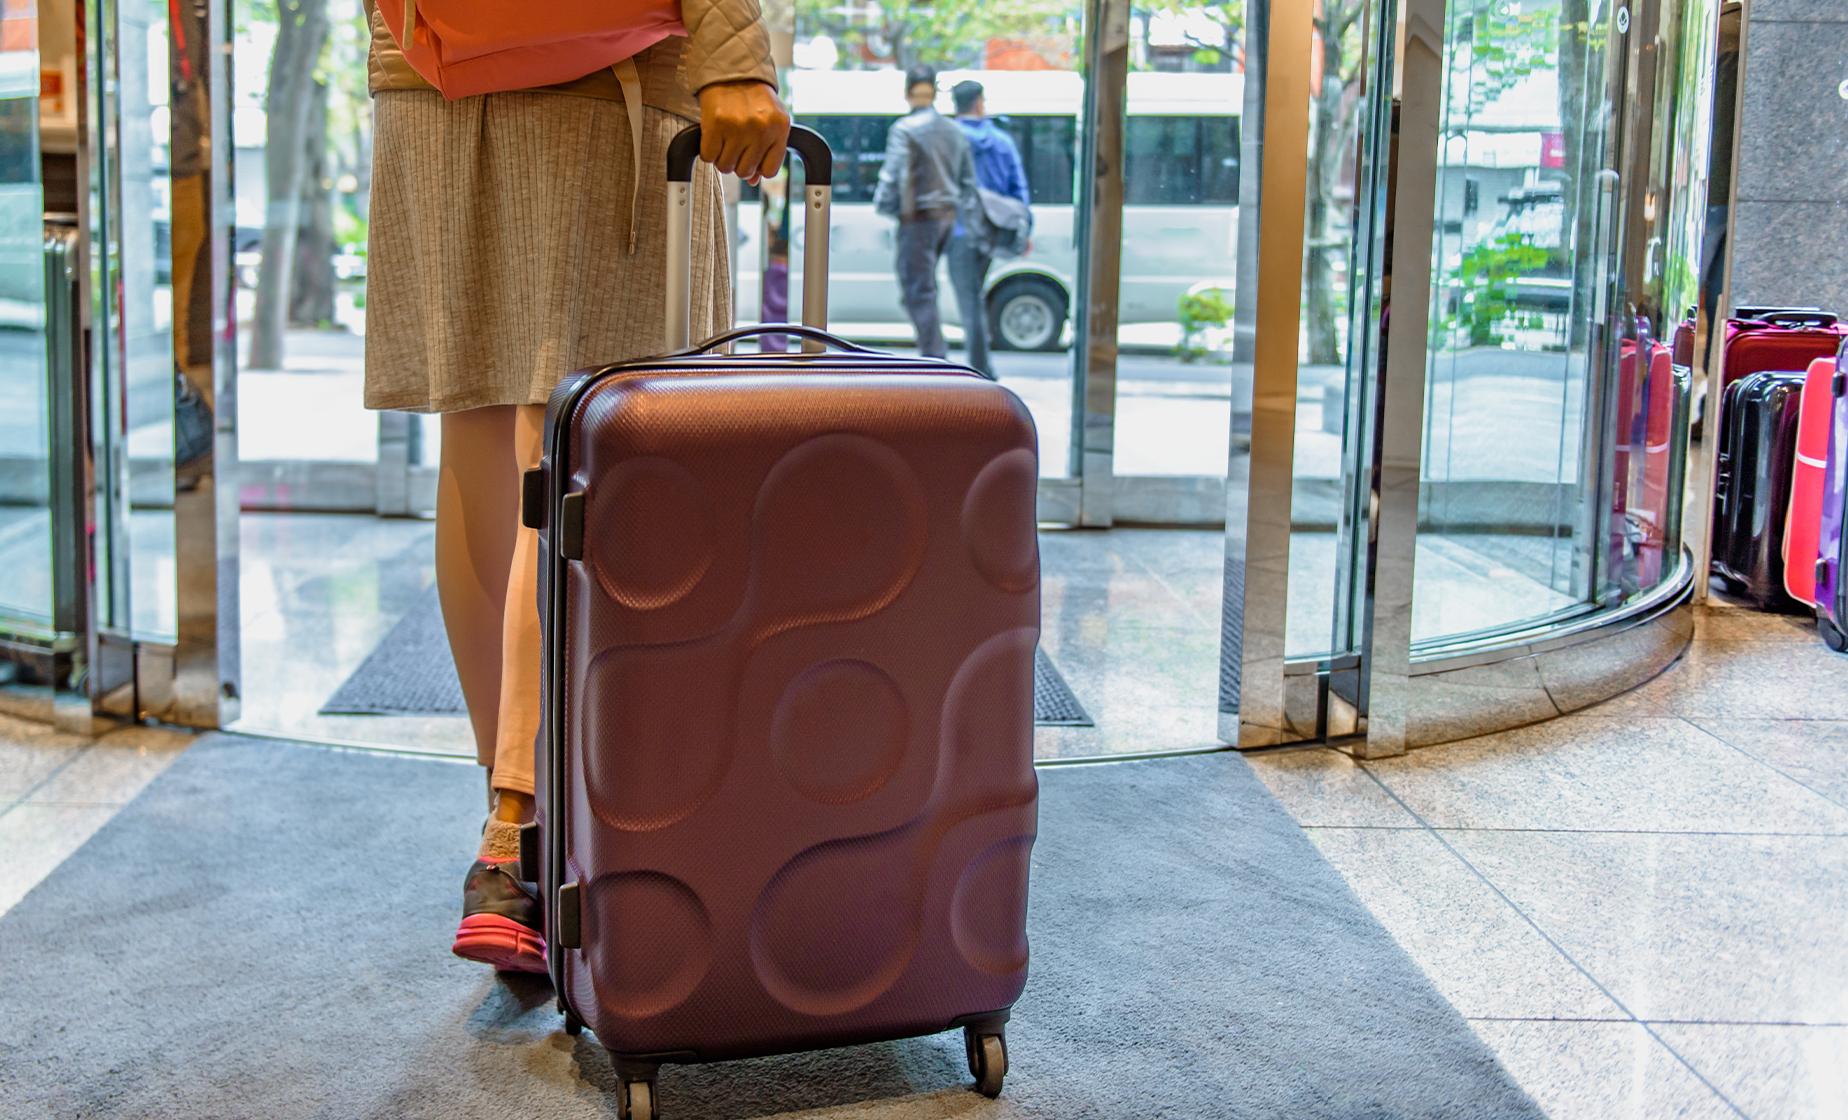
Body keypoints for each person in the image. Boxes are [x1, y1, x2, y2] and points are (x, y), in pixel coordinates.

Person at [361, 0, 791, 974]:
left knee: (481, 440)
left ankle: (509, 821)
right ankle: (523, 831)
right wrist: (734, 51)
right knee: (571, 445)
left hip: (430, 68)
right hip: (601, 76)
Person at [872, 66, 980, 359]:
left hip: (917, 219)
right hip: (948, 218)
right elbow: (968, 181)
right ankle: (934, 354)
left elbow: (892, 175)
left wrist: (885, 205)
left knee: (918, 291)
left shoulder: (905, 129)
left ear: (908, 91)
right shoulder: (954, 130)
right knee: (927, 288)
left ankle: (934, 358)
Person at [947, 80, 1031, 378]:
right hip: (993, 230)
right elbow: (1019, 188)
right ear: (979, 102)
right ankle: (981, 367)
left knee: (969, 301)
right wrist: (1025, 229)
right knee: (976, 296)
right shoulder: (1001, 142)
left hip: (958, 231)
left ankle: (980, 369)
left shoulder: (950, 138)